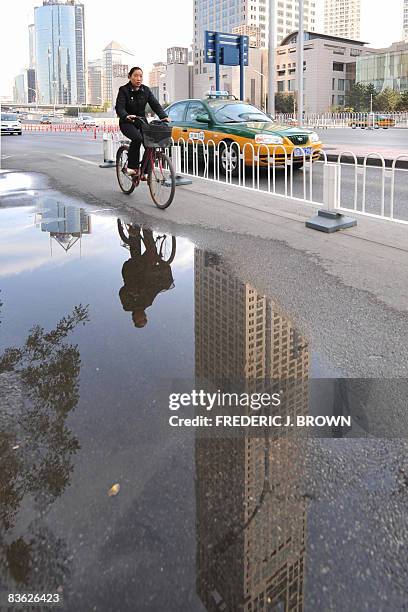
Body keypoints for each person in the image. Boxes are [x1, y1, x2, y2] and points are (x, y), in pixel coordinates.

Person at [115, 66, 170, 178]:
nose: (138, 78)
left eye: (140, 76)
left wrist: (163, 116)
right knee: (137, 139)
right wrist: (126, 116)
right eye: (135, 76)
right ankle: (132, 167)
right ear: (129, 77)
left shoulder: (146, 90)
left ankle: (144, 171)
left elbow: (155, 104)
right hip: (127, 122)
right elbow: (119, 107)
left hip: (141, 121)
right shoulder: (123, 90)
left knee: (151, 143)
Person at [118, 225, 174, 328]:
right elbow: (155, 290)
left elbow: (122, 292)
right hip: (145, 270)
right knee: (152, 251)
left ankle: (133, 232)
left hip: (132, 272)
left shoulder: (127, 305)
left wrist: (131, 291)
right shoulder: (147, 302)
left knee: (136, 255)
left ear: (134, 318)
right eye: (144, 318)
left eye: (140, 319)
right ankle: (147, 230)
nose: (142, 316)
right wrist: (164, 284)